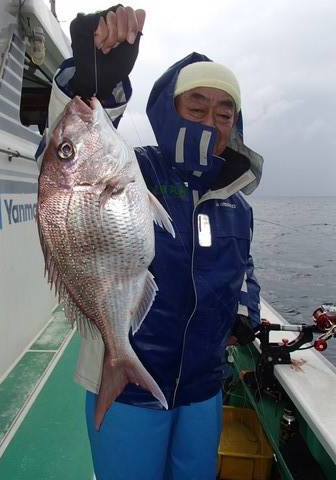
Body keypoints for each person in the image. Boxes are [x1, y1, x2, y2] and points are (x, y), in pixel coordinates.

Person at [37, 5, 263, 480]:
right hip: (129, 393)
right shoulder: (138, 169)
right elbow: (62, 153)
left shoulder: (235, 203)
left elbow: (245, 267)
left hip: (203, 389)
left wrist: (246, 313)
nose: (211, 119)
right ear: (169, 110)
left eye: (225, 111)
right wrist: (94, 80)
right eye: (195, 106)